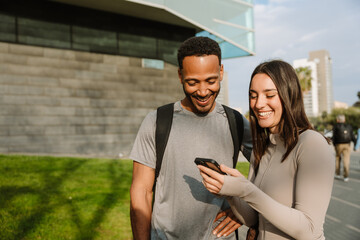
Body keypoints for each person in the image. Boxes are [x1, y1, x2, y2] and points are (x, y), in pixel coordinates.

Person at [129, 36, 253, 239]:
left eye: (211, 81)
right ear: (180, 75)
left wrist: (247, 208)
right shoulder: (157, 121)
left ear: (221, 72)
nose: (203, 91)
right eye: (193, 82)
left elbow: (273, 171)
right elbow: (141, 192)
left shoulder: (236, 122)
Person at [198, 60, 335, 239]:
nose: (258, 104)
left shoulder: (312, 144)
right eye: (253, 95)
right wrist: (231, 192)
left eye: (269, 95)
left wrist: (246, 190)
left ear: (289, 95)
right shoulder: (262, 147)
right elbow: (252, 218)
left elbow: (309, 230)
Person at [332, 114, 356, 182]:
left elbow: (334, 137)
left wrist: (334, 144)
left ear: (337, 120)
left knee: (337, 158)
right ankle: (346, 176)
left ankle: (337, 173)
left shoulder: (336, 126)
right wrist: (354, 145)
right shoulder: (349, 126)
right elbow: (353, 136)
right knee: (346, 160)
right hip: (347, 145)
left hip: (338, 144)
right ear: (344, 120)